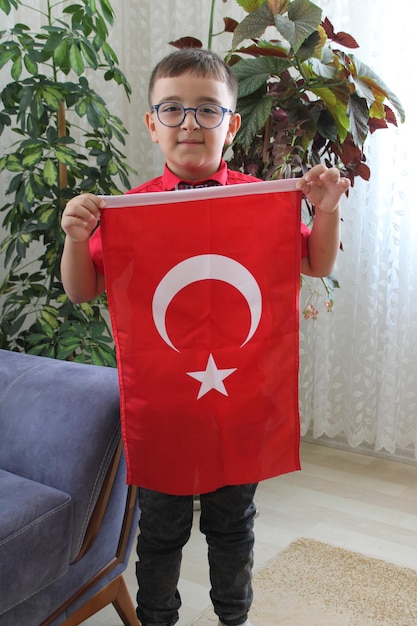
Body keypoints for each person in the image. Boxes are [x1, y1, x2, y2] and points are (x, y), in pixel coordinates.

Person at [61, 48, 350, 626]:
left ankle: (231, 617)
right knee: (161, 532)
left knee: (232, 526)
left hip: (237, 407)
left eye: (207, 110)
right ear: (151, 123)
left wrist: (326, 209)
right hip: (166, 409)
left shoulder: (257, 200)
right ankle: (159, 617)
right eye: (172, 109)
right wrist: (74, 236)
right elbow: (82, 290)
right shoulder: (130, 210)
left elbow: (315, 265)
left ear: (231, 123)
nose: (189, 123)